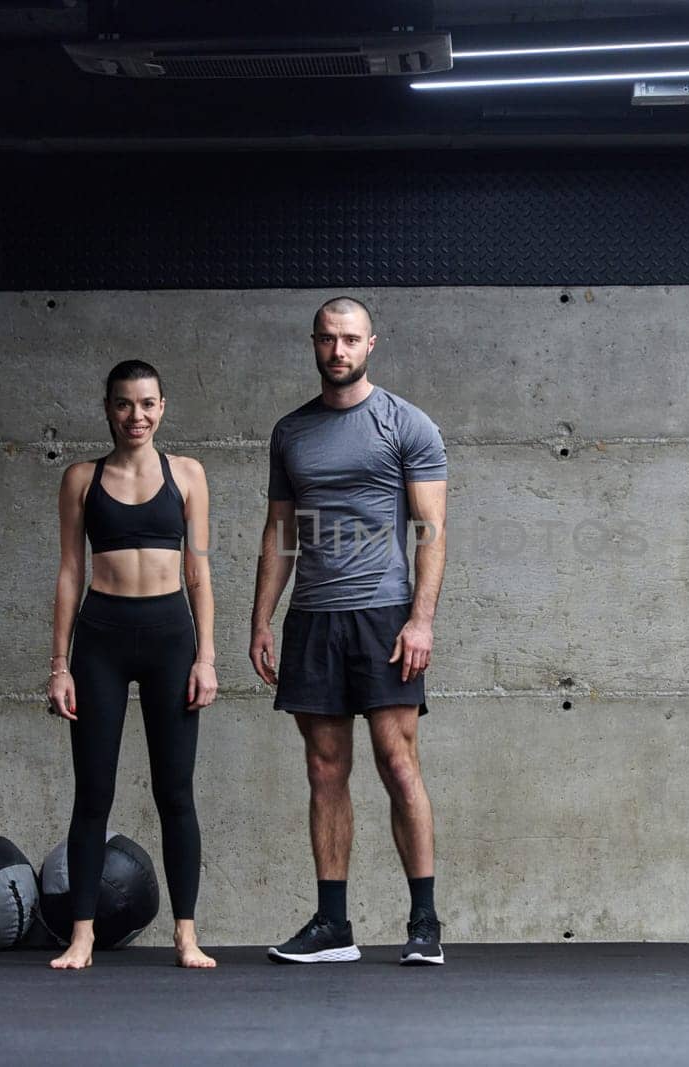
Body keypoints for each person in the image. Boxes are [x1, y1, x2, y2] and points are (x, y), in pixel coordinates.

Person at [251, 296, 450, 966]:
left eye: (351, 340)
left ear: (373, 344)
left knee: (398, 763)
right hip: (313, 616)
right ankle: (333, 925)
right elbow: (280, 533)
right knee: (323, 768)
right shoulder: (291, 432)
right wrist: (261, 619)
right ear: (314, 343)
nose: (339, 351)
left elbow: (431, 532)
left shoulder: (406, 423)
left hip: (384, 613)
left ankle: (424, 922)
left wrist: (421, 619)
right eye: (328, 339)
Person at [46, 359, 218, 970]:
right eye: (123, 404)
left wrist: (207, 656)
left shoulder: (189, 476)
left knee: (177, 792)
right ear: (108, 409)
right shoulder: (80, 479)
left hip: (172, 638)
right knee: (93, 792)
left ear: (163, 407)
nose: (135, 416)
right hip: (101, 640)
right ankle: (83, 935)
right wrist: (59, 664)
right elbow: (70, 572)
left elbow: (198, 571)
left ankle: (186, 934)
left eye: (147, 404)